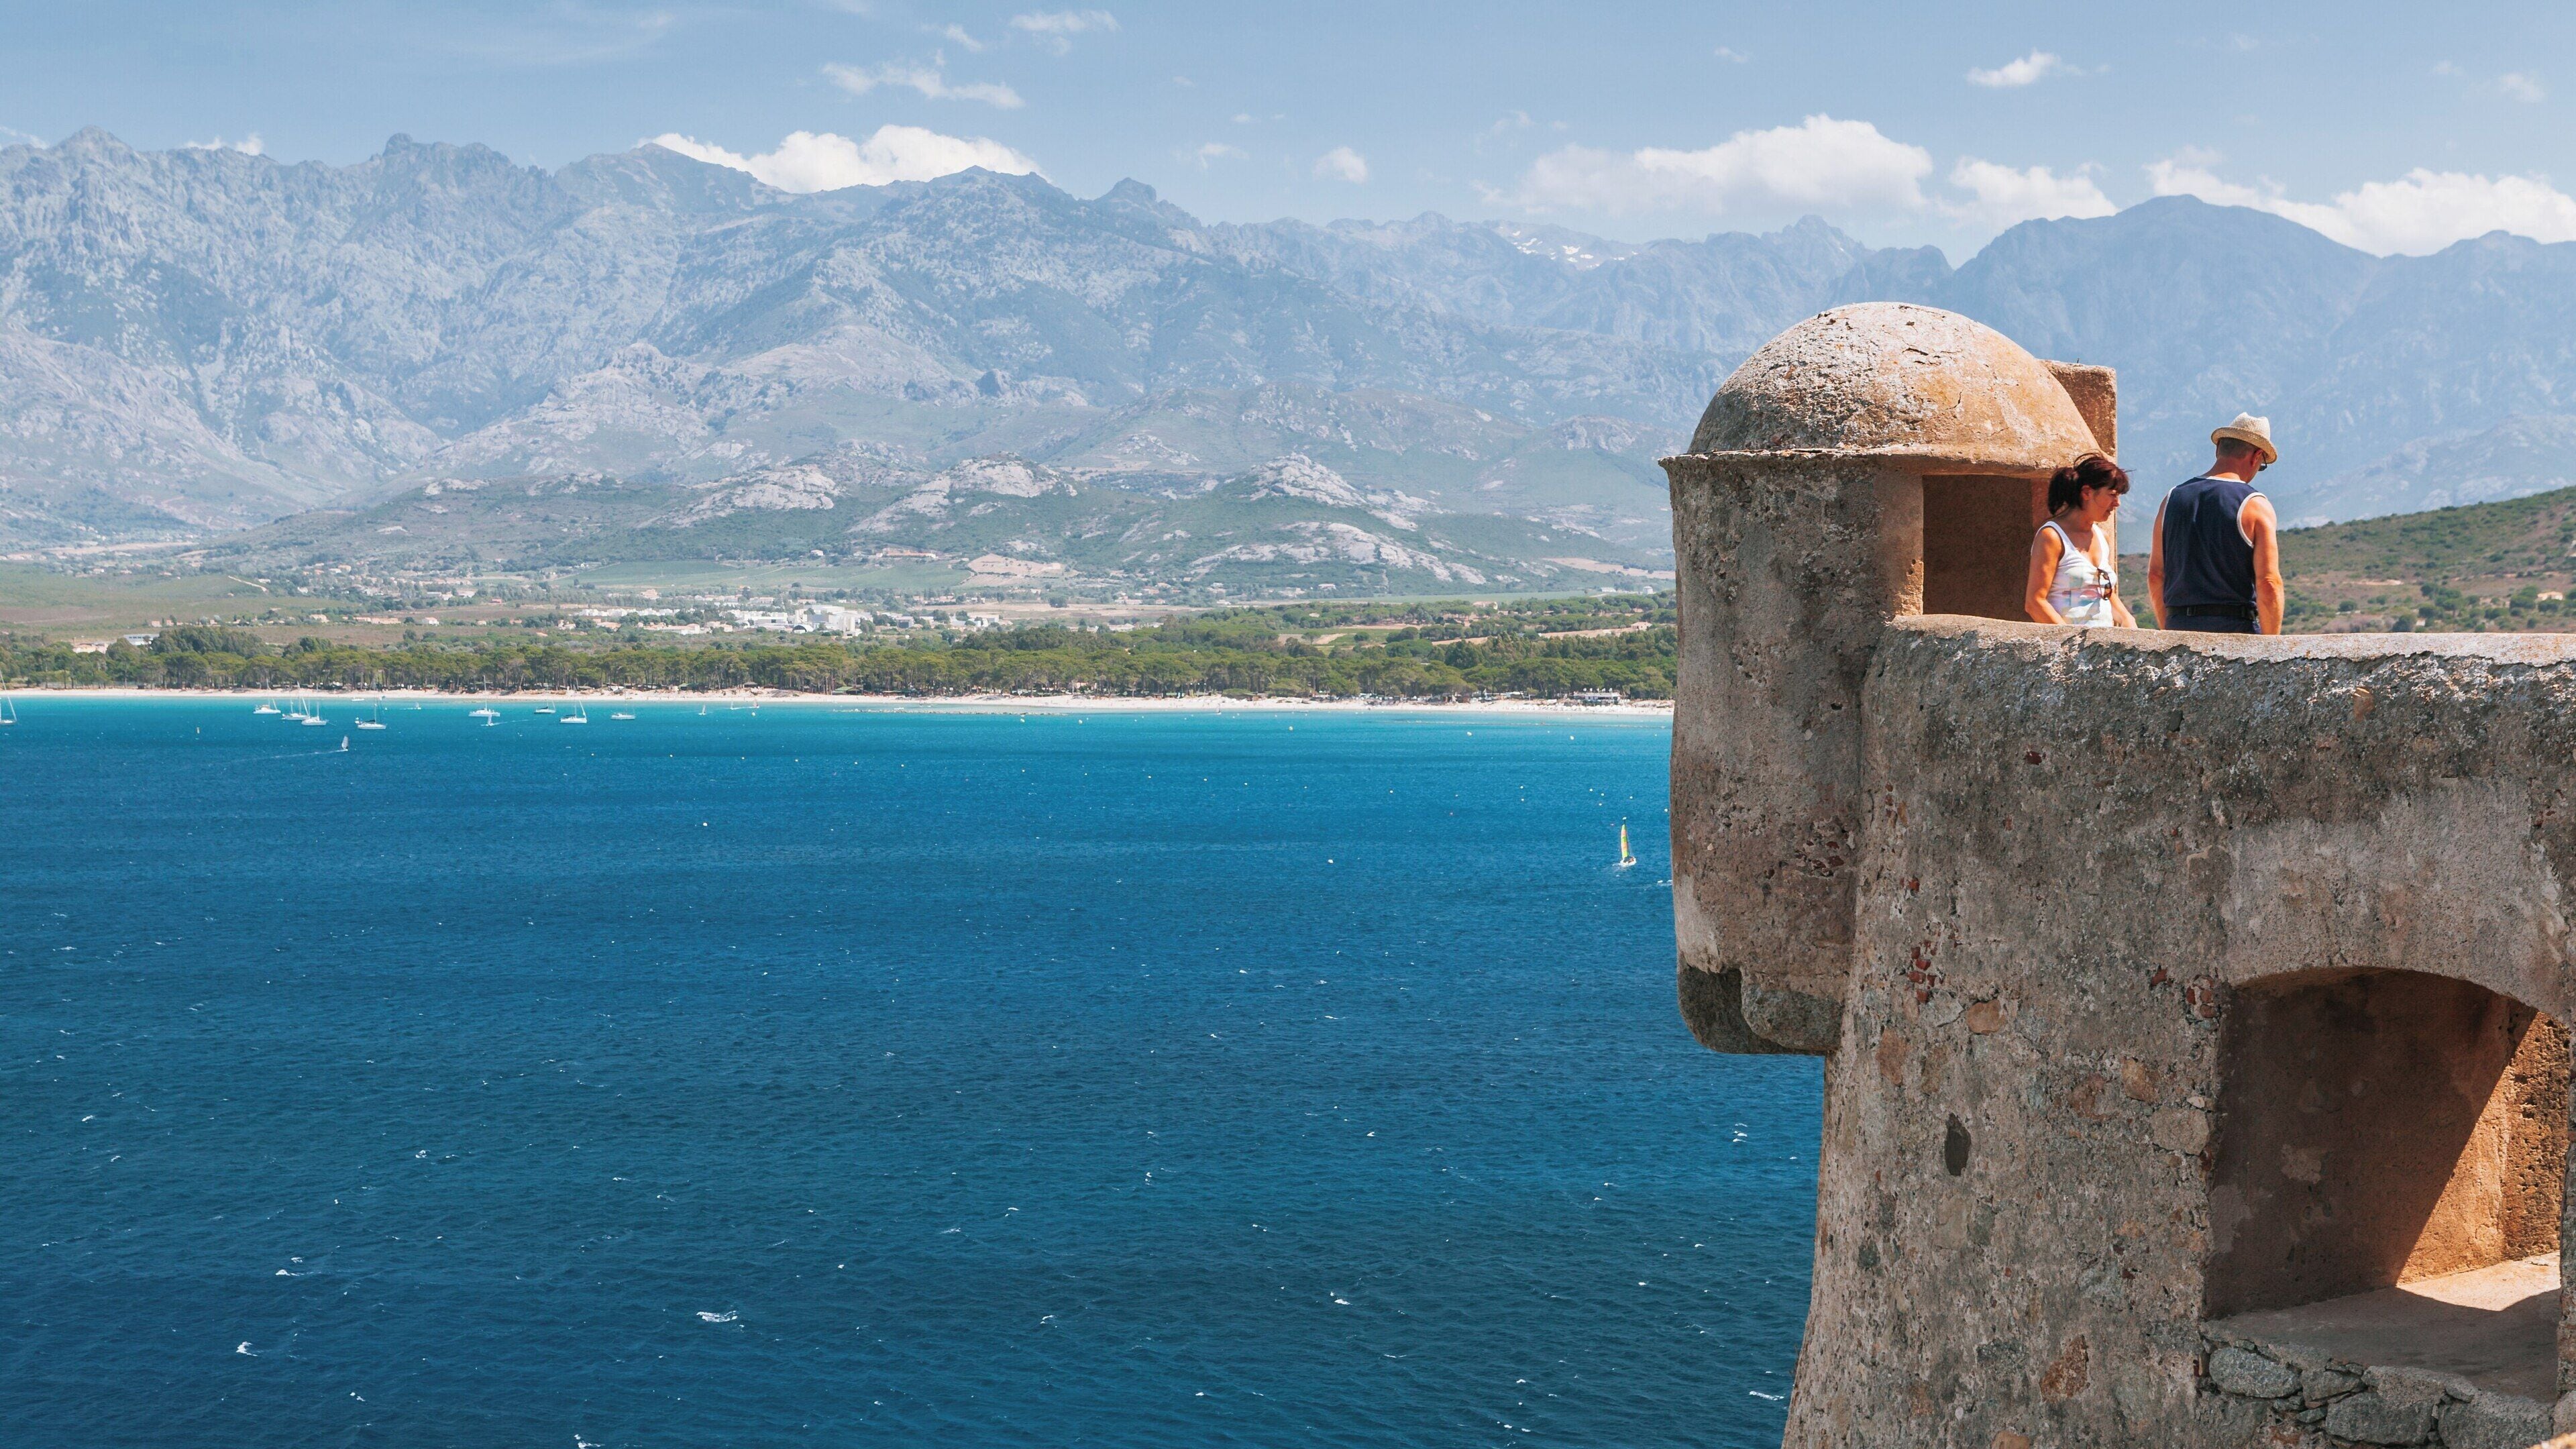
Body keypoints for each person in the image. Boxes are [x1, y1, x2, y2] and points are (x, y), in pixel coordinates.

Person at [2147, 413, 2284, 635]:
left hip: (2179, 630)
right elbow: (2268, 583)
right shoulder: (2254, 504)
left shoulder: (2171, 499)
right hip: (2236, 632)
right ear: (2256, 456)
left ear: (2218, 448)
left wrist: (2171, 632)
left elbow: (2156, 575)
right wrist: (2272, 650)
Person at [2025, 453, 2136, 627]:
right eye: (2112, 495)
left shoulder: (2102, 537)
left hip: (2103, 646)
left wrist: (2127, 620)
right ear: (2087, 493)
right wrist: (2070, 643)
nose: (2117, 503)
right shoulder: (2052, 537)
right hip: (2069, 649)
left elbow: (2105, 592)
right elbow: (2035, 602)